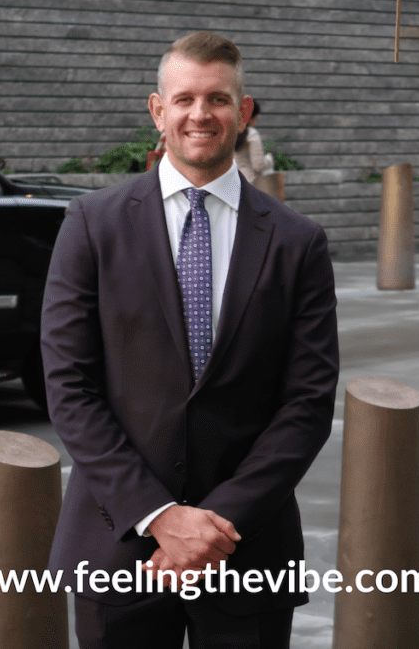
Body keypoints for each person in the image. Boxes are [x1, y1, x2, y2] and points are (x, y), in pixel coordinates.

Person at [40, 31, 340, 648]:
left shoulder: (297, 241)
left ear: (244, 110)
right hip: (118, 543)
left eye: (218, 99)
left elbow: (306, 403)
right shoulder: (91, 226)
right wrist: (162, 517)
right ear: (157, 110)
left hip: (248, 549)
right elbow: (69, 386)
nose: (200, 114)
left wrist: (216, 524)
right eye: (184, 99)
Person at [234, 99, 274, 182]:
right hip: (248, 183)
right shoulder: (251, 133)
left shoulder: (226, 133)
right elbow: (258, 165)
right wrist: (269, 160)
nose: (255, 122)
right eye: (256, 118)